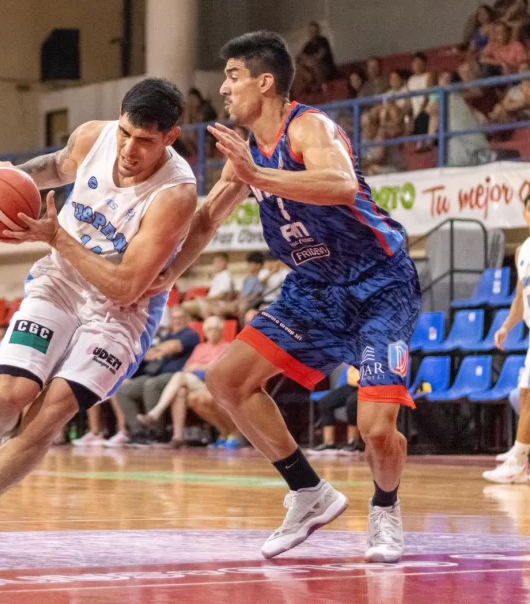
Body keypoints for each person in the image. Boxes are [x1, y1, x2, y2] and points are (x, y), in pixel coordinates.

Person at [148, 31, 421, 563]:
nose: (223, 89)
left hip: (379, 285)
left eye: (232, 76)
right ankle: (309, 492)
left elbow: (341, 185)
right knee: (227, 379)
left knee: (375, 430)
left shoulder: (310, 128)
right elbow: (207, 220)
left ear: (264, 82)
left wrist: (259, 175)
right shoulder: (244, 156)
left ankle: (385, 508)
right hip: (315, 290)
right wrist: (168, 273)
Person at [0, 78, 197, 560]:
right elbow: (52, 167)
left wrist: (56, 237)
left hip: (120, 312)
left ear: (169, 138)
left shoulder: (175, 195)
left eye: (146, 141)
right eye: (127, 133)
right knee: (10, 394)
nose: (130, 149)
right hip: (61, 281)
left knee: (51, 412)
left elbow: (127, 286)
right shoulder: (95, 135)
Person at [482, 193, 530, 484]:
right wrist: (506, 326)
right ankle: (519, 458)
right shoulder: (522, 250)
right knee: (524, 396)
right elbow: (520, 297)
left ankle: (519, 459)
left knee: (528, 396)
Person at [137, 315, 235, 447]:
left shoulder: (227, 347)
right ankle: (177, 437)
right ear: (205, 331)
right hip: (196, 383)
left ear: (222, 330)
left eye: (216, 328)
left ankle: (156, 413)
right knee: (181, 391)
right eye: (209, 329)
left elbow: (217, 369)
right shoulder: (201, 348)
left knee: (179, 377)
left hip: (212, 385)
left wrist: (198, 367)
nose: (213, 331)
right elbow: (187, 367)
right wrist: (204, 366)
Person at [116, 305, 200, 444]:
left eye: (180, 318)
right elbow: (146, 354)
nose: (177, 321)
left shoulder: (191, 334)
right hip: (155, 374)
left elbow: (173, 347)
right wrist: (160, 351)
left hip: (175, 376)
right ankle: (138, 432)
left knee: (151, 385)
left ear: (187, 319)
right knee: (124, 390)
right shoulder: (167, 336)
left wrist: (158, 351)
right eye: (174, 318)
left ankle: (157, 432)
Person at [427, 71, 490, 167]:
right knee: (435, 116)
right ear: (439, 80)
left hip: (464, 119)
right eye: (443, 78)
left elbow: (477, 93)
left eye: (448, 79)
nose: (445, 81)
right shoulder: (436, 92)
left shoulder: (456, 92)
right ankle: (430, 140)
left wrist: (464, 83)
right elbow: (430, 109)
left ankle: (430, 141)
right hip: (447, 122)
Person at [308, 365, 362, 456]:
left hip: (367, 386)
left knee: (352, 403)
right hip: (351, 384)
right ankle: (329, 444)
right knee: (325, 403)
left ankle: (353, 442)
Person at [181, 252, 234, 319]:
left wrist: (204, 298)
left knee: (184, 306)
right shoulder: (219, 275)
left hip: (216, 303)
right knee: (181, 308)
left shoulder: (225, 276)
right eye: (215, 262)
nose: (217, 264)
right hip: (209, 302)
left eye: (220, 261)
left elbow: (221, 295)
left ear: (226, 262)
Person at [407, 53, 435, 137]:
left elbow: (427, 96)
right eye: (415, 63)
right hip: (415, 113)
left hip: (426, 111)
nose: (417, 65)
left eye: (420, 63)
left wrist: (420, 111)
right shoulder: (410, 80)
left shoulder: (429, 76)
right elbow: (409, 99)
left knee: (421, 119)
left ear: (425, 64)